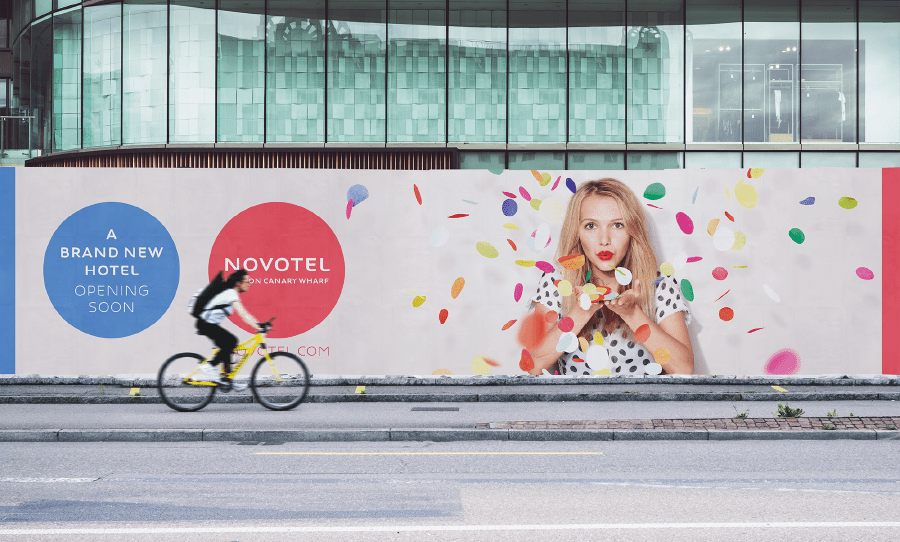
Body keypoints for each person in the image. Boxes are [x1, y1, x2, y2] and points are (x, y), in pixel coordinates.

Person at [524, 178, 694, 376]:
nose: (604, 240)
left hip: (646, 406)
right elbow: (532, 366)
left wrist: (632, 314)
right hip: (574, 407)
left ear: (633, 231)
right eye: (590, 226)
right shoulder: (556, 283)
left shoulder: (660, 284)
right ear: (576, 232)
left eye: (617, 225)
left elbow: (685, 370)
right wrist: (581, 311)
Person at [193, 269, 261, 389]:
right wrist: (257, 326)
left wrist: (259, 324)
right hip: (205, 323)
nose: (250, 283)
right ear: (238, 283)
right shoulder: (231, 293)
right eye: (247, 281)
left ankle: (227, 379)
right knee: (231, 341)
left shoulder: (231, 294)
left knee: (228, 346)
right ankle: (210, 365)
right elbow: (243, 314)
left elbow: (245, 314)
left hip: (208, 323)